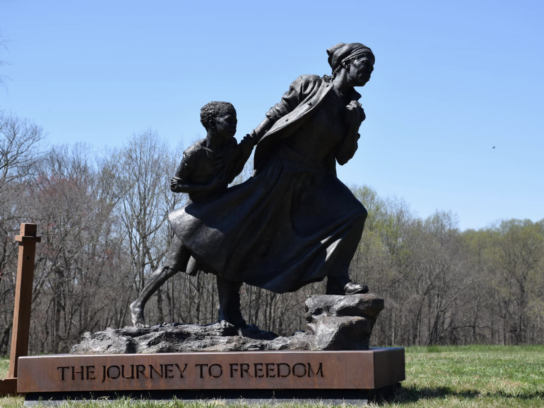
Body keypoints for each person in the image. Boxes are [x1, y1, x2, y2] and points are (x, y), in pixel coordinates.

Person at [169, 42, 374, 314]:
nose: (370, 72)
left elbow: (343, 156)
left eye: (372, 68)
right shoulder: (309, 85)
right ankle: (228, 311)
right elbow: (278, 111)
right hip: (281, 171)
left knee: (354, 214)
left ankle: (338, 280)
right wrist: (252, 139)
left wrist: (353, 125)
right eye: (366, 65)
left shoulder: (354, 109)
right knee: (248, 235)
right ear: (346, 63)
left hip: (316, 179)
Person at [130, 101, 254, 327]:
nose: (234, 125)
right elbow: (176, 185)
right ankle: (137, 304)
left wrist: (245, 152)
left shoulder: (230, 146)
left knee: (226, 263)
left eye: (236, 120)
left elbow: (230, 174)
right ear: (211, 123)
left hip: (219, 212)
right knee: (171, 265)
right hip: (194, 216)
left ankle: (224, 314)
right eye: (229, 120)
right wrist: (207, 188)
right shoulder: (194, 153)